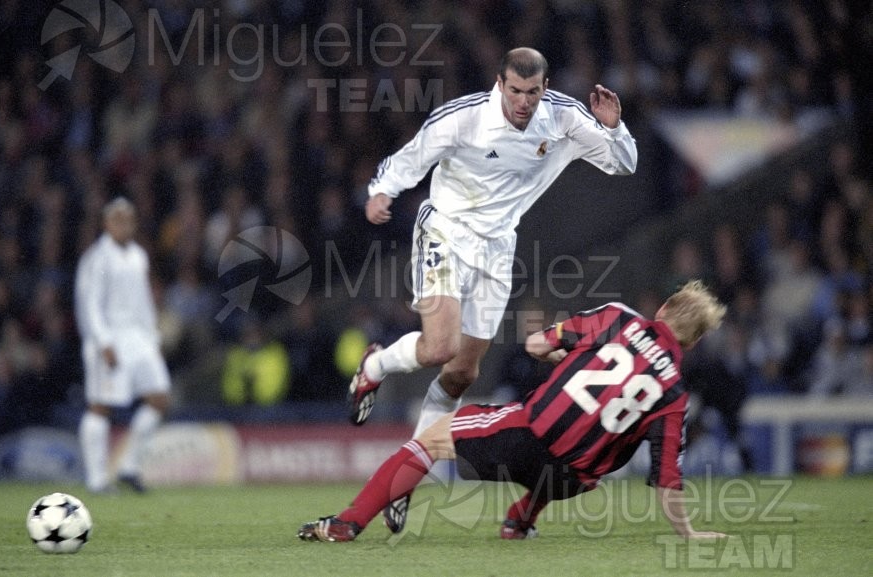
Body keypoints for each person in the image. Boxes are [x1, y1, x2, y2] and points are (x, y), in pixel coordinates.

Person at [348, 47, 638, 532]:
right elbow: (411, 156)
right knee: (440, 347)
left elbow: (622, 165)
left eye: (532, 92)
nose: (523, 102)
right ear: (500, 84)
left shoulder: (563, 119)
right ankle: (374, 365)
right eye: (515, 91)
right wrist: (382, 191)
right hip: (445, 229)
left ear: (544, 88)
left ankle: (406, 478)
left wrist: (612, 128)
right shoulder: (465, 119)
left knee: (463, 372)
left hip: (498, 247)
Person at [301, 280, 728, 542]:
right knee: (596, 452)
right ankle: (520, 521)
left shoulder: (619, 319)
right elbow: (667, 476)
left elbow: (536, 344)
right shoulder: (674, 394)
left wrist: (564, 360)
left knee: (429, 440)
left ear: (664, 309)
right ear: (690, 344)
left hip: (526, 438)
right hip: (571, 482)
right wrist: (687, 532)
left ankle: (348, 523)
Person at [74, 197, 172, 493]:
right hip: (110, 337)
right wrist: (102, 340)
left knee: (160, 399)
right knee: (100, 406)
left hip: (138, 339)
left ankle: (129, 467)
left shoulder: (138, 255)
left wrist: (152, 335)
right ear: (106, 223)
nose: (123, 224)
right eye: (117, 219)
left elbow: (144, 300)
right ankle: (97, 479)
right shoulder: (97, 258)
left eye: (128, 219)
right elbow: (89, 303)